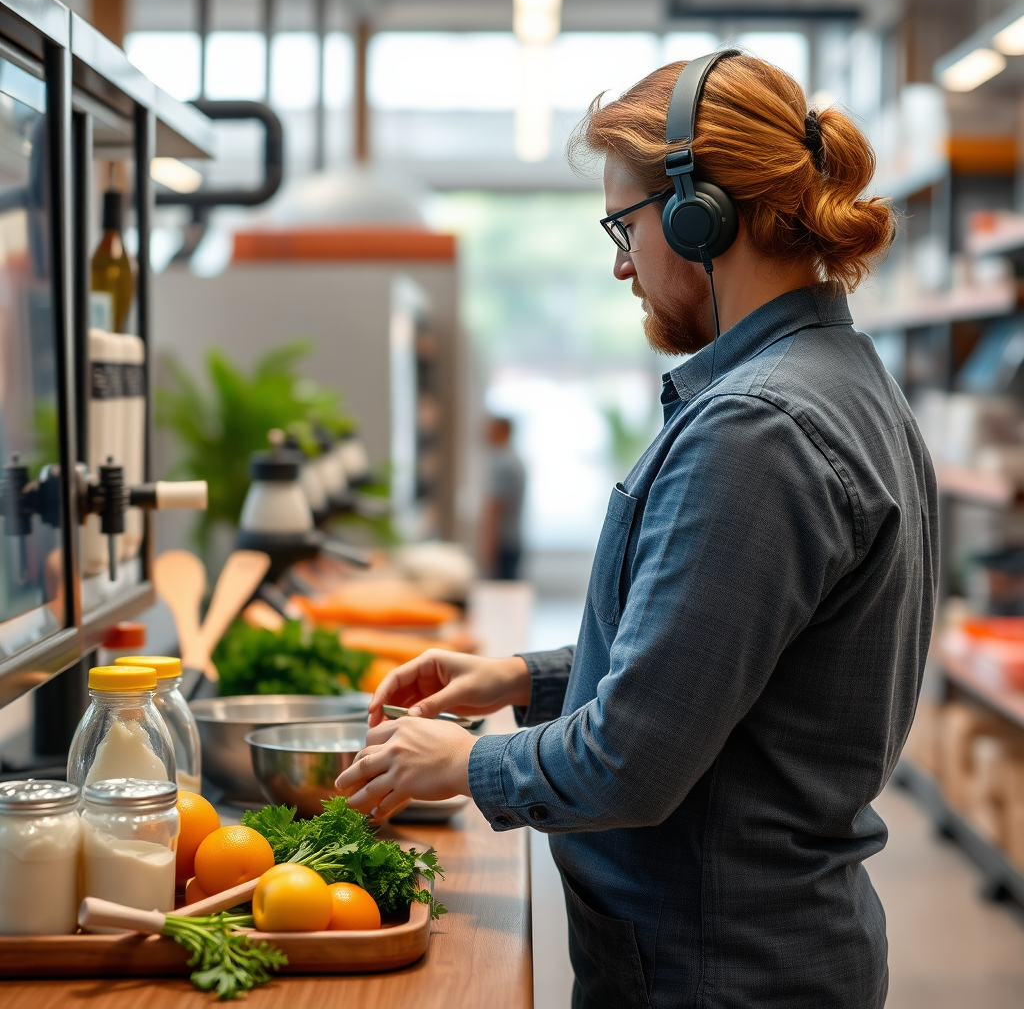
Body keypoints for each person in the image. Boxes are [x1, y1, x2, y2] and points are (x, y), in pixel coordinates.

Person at [337, 51, 937, 1009]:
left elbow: (633, 764)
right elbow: (722, 654)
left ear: (705, 214)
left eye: (625, 225)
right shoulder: (840, 380)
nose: (620, 262)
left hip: (711, 971)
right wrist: (525, 679)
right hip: (754, 950)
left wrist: (463, 762)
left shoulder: (759, 428)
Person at [480, 415, 526, 580]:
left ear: (503, 431)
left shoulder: (503, 463)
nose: (487, 433)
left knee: (501, 594)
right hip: (513, 540)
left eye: (492, 428)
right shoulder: (515, 460)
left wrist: (489, 547)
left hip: (503, 542)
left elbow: (496, 507)